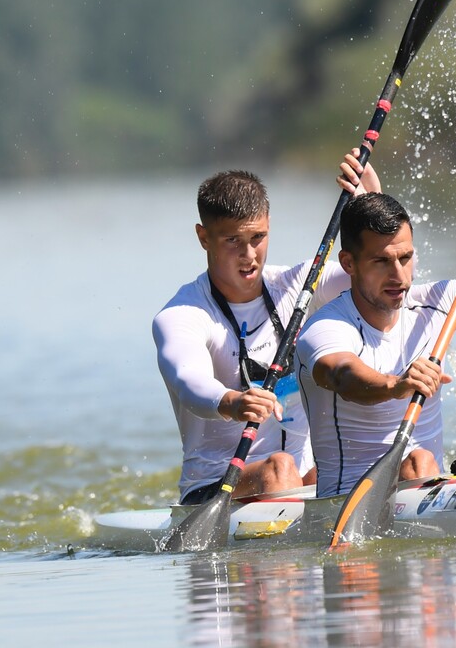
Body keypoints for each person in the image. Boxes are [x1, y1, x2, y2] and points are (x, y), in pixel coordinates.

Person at [294, 152, 456, 497]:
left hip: (424, 481)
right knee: (418, 462)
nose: (398, 276)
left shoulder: (438, 304)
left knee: (420, 463)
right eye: (381, 261)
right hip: (346, 505)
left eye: (405, 258)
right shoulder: (326, 326)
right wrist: (397, 384)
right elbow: (342, 377)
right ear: (349, 263)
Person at [154, 149, 380, 505]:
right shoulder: (184, 314)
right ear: (203, 237)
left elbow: (379, 275)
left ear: (269, 226)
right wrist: (232, 402)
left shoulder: (298, 286)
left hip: (307, 479)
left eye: (257, 238)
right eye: (233, 241)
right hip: (216, 488)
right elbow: (188, 383)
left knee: (352, 460)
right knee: (279, 469)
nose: (249, 255)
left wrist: (370, 206)